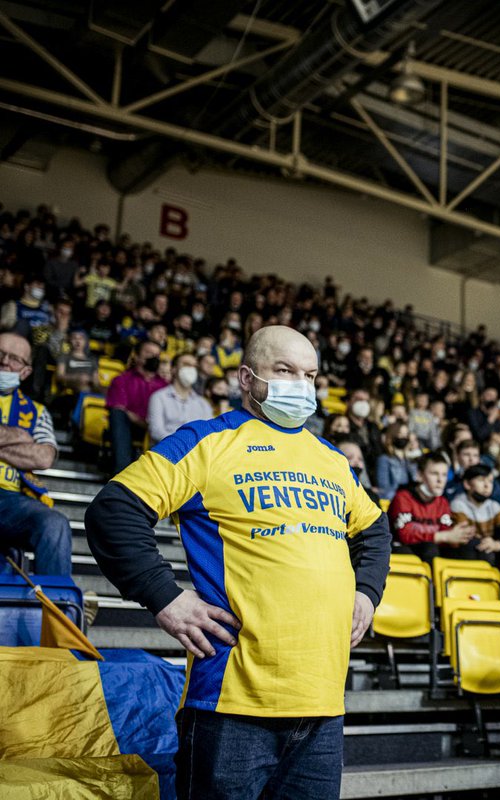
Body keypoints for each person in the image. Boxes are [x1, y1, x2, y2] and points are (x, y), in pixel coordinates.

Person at [85, 326, 390, 799]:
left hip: (323, 706)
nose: (300, 385)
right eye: (284, 371)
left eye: (309, 375)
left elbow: (374, 531)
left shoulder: (331, 460)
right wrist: (165, 596)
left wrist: (367, 593)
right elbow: (114, 510)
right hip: (231, 704)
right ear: (247, 378)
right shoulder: (207, 441)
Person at [0, 332, 71, 575]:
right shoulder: (27, 426)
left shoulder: (37, 412)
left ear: (25, 371)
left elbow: (43, 457)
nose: (5, 362)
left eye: (15, 359)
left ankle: (57, 609)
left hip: (11, 500)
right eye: (0, 354)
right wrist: (20, 436)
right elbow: (33, 450)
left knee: (55, 523)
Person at [388, 453, 475, 562]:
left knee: (469, 550)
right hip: (403, 550)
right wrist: (443, 536)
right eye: (434, 474)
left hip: (431, 550)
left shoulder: (442, 502)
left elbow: (447, 534)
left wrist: (460, 534)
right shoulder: (403, 498)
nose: (440, 480)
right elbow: (405, 535)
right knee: (429, 549)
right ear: (419, 475)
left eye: (444, 475)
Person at [105, 339, 168, 472]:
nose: (153, 357)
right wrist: (146, 422)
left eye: (156, 355)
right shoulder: (121, 380)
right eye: (149, 353)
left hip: (160, 429)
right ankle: (121, 471)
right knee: (118, 415)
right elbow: (119, 408)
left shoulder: (165, 385)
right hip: (131, 428)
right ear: (137, 356)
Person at [448, 464, 500, 565]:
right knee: (477, 548)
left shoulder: (494, 506)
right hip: (463, 554)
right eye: (481, 480)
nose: (487, 486)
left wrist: (495, 544)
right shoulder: (458, 504)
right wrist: (488, 543)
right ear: (467, 484)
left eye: (490, 481)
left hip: (486, 552)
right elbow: (465, 539)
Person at [147, 353, 213, 444]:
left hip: (196, 454)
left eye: (194, 366)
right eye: (186, 364)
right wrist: (183, 443)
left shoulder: (204, 404)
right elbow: (156, 431)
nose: (191, 369)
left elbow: (208, 434)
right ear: (174, 369)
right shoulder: (158, 397)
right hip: (167, 451)